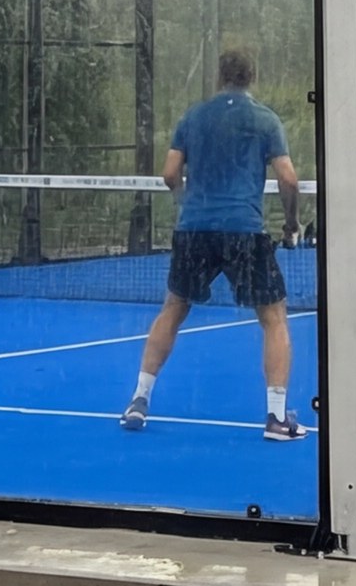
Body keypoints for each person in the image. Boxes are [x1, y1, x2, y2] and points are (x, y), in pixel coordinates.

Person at [122, 49, 305, 440]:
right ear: (251, 77)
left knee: (173, 309)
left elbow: (170, 173)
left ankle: (139, 399)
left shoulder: (194, 117)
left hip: (194, 231)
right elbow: (288, 179)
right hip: (244, 232)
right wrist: (292, 224)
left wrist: (189, 203)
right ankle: (276, 418)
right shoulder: (264, 119)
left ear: (219, 76)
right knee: (273, 318)